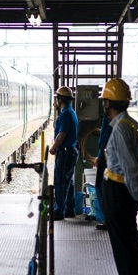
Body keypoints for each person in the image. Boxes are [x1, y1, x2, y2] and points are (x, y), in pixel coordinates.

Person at [100, 78, 138, 275]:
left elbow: (130, 167)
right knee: (130, 246)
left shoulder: (120, 128)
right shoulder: (131, 124)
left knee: (125, 248)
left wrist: (135, 197)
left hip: (120, 193)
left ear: (108, 102)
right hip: (124, 193)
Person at [49, 86, 79, 220]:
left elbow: (62, 135)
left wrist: (54, 147)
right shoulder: (71, 112)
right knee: (69, 181)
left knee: (61, 181)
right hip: (71, 151)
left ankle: (59, 211)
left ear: (60, 99)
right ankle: (69, 209)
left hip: (65, 152)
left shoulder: (66, 114)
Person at [94, 112, 113, 230]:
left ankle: (109, 220)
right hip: (109, 158)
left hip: (106, 159)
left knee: (101, 188)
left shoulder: (109, 119)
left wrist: (99, 156)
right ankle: (110, 220)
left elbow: (104, 140)